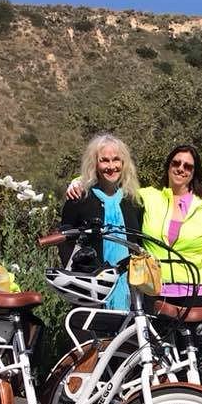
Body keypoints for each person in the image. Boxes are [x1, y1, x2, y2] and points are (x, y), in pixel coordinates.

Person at [136, 144, 202, 308]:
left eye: (188, 166)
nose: (180, 169)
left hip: (195, 295)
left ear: (194, 173)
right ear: (168, 166)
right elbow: (115, 187)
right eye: (176, 163)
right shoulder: (148, 197)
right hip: (153, 291)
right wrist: (81, 182)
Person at [60, 133, 142, 310]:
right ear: (95, 164)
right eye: (104, 160)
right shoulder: (79, 198)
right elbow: (65, 240)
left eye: (116, 160)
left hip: (130, 290)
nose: (111, 166)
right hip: (90, 289)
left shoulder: (133, 202)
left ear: (123, 163)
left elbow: (139, 241)